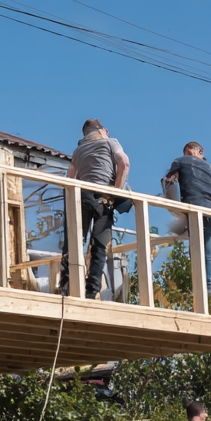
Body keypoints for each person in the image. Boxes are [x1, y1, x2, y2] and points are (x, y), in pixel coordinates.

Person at [59, 119, 130, 298]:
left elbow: (71, 177)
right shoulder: (110, 142)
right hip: (103, 198)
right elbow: (124, 164)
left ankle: (67, 287)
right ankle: (92, 291)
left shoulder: (78, 151)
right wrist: (116, 192)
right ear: (104, 130)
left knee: (74, 242)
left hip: (81, 196)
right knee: (99, 246)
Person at [162, 142, 211, 290]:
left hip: (193, 208)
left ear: (193, 150)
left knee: (195, 251)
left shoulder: (180, 161)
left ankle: (199, 291)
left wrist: (174, 208)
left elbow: (168, 182)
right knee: (207, 255)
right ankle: (207, 290)